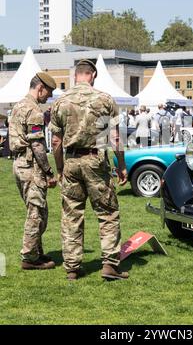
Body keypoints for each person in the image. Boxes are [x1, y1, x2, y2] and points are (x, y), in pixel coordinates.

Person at [50, 59, 128, 281]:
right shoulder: (105, 99)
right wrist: (121, 165)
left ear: (76, 76)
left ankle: (72, 267)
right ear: (93, 75)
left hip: (71, 161)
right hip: (96, 161)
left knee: (71, 215)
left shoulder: (60, 101)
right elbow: (115, 138)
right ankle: (110, 265)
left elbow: (55, 142)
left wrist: (60, 168)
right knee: (107, 213)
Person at [9, 72, 57, 270]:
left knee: (35, 209)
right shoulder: (34, 110)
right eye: (49, 93)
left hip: (19, 164)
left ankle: (36, 251)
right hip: (31, 166)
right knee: (37, 212)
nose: (49, 97)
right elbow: (37, 144)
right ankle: (29, 257)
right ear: (40, 88)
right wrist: (48, 171)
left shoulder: (19, 106)